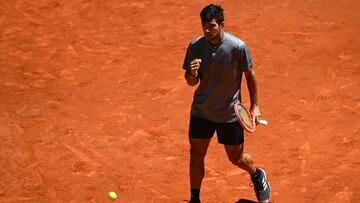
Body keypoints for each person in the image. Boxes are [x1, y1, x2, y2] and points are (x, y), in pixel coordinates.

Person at [182, 4, 271, 203]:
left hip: (229, 113)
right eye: (204, 26)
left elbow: (250, 74)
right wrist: (192, 73)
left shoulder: (238, 47)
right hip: (201, 111)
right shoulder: (195, 46)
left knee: (236, 158)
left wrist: (255, 105)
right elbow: (191, 82)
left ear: (221, 25)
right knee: (196, 154)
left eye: (211, 26)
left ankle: (257, 174)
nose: (207, 30)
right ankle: (194, 197)